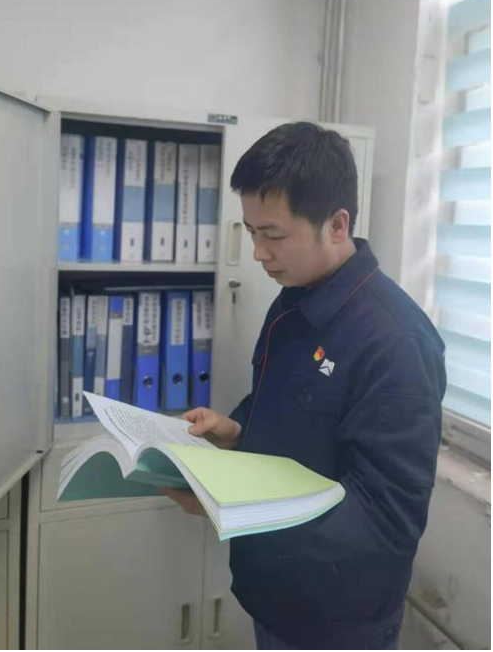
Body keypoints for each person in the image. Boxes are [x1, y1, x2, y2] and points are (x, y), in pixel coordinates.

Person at [163, 122, 446, 651]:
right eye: (251, 232)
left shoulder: (396, 341)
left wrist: (232, 505)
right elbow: (285, 404)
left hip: (335, 619)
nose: (258, 253)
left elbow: (385, 520)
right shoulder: (295, 296)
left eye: (273, 235)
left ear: (336, 225)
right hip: (274, 592)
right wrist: (236, 429)